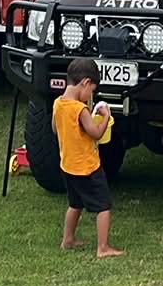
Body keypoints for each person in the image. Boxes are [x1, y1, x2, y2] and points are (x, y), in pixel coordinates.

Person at [53, 57, 123, 257]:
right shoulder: (80, 109)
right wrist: (106, 116)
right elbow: (96, 133)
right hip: (87, 167)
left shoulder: (58, 104)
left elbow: (54, 128)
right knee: (104, 205)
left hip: (67, 165)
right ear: (85, 83)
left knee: (75, 204)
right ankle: (103, 248)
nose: (90, 95)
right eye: (91, 90)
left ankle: (68, 239)